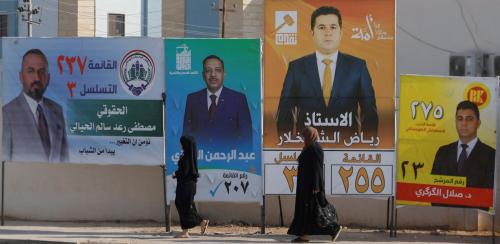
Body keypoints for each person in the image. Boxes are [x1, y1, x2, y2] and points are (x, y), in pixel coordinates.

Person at [276, 6, 378, 141]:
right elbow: (284, 113)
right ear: (312, 33)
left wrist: (364, 146)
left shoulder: (357, 67)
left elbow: (370, 113)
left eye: (333, 27)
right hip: (307, 148)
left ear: (341, 32)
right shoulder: (297, 68)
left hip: (347, 148)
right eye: (322, 27)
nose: (328, 33)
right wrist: (286, 145)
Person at [2, 48, 69, 163]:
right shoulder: (7, 113)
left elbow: (65, 160)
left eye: (41, 72)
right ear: (21, 76)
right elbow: (4, 163)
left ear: (48, 78)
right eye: (31, 71)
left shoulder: (57, 110)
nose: (37, 78)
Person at [182, 55, 252, 150]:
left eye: (218, 70)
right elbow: (186, 138)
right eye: (208, 70)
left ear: (224, 74)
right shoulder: (192, 99)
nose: (213, 74)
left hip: (230, 160)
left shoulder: (238, 99)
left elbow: (247, 138)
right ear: (203, 75)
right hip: (200, 160)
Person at [288, 127, 341, 242]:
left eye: (304, 136)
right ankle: (304, 236)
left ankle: (333, 228)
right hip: (305, 186)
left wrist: (316, 186)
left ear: (310, 136)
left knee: (315, 212)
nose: (303, 139)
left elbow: (317, 169)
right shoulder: (309, 147)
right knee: (307, 212)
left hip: (312, 187)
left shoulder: (315, 149)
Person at [431, 100, 495, 188]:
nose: (464, 123)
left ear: (478, 123)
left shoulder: (492, 155)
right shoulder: (443, 152)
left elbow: (491, 193)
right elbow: (433, 189)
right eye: (460, 119)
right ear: (455, 122)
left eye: (469, 119)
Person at [173, 136, 209, 238]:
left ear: (185, 144)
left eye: (181, 143)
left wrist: (175, 174)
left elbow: (184, 172)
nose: (180, 144)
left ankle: (199, 223)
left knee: (183, 205)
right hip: (188, 185)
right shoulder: (189, 155)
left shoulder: (186, 157)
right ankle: (186, 231)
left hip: (186, 185)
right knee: (183, 205)